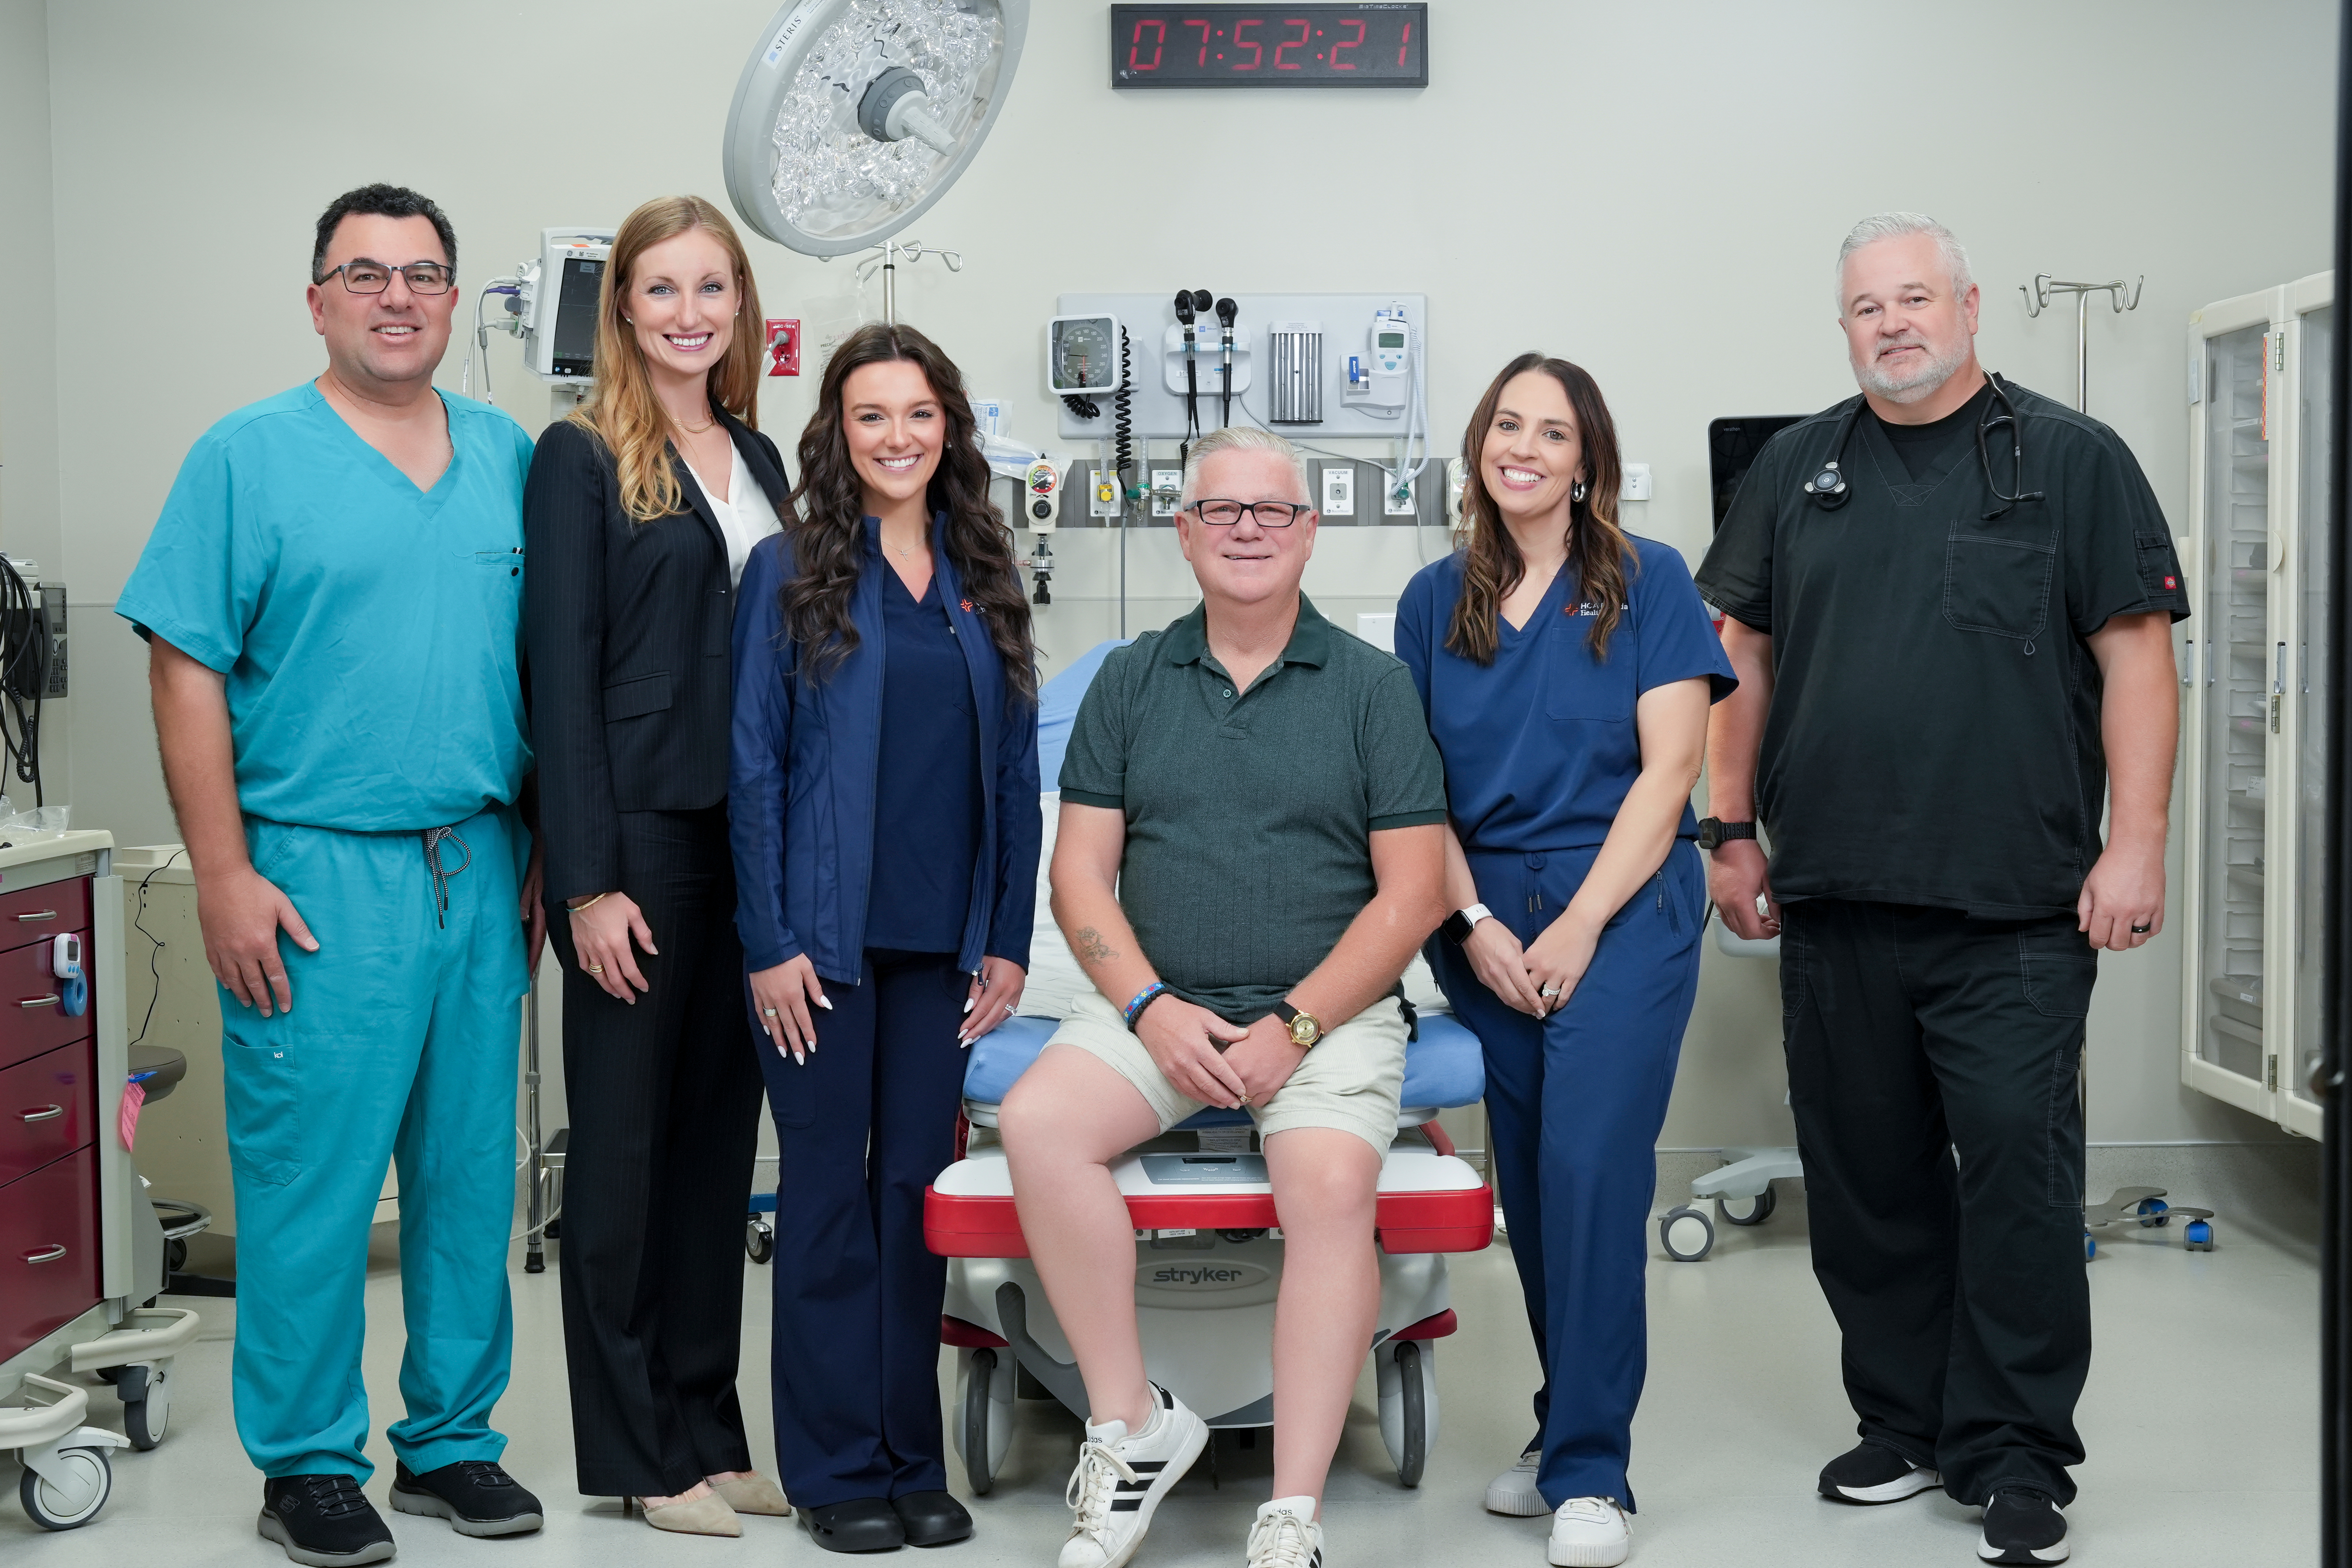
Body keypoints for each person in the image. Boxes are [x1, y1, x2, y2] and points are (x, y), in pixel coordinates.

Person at [1694, 212, 2187, 1568]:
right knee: (1865, 1184)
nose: (1892, 323)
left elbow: (2138, 662)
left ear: (1969, 307)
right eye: (1866, 307)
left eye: (1915, 298)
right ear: (1842, 326)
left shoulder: (2071, 462)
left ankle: (2016, 1452)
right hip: (1836, 897)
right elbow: (1734, 656)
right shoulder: (1798, 470)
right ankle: (1905, 1419)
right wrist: (1726, 830)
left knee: (2018, 1190)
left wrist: (2132, 844)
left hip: (2015, 910)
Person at [118, 184, 546, 1567]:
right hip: (313, 871)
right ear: (318, 299)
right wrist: (223, 871)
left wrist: (548, 855)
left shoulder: (509, 457)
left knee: (471, 1176)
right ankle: (306, 1459)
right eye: (365, 272)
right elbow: (182, 666)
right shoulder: (246, 458)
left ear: (452, 296)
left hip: (481, 864)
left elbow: (549, 671)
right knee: (311, 1182)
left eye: (425, 272)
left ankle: (450, 1443)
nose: (398, 295)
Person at [998, 425, 1451, 1568]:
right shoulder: (1128, 681)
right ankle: (1132, 1426)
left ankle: (1289, 1509)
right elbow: (1078, 875)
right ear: (1183, 529)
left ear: (1310, 531)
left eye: (1273, 512)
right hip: (1161, 1006)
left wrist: (1295, 1024)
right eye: (1222, 511)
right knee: (1043, 1128)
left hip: (1327, 1015)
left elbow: (1411, 896)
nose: (1247, 529)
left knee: (1329, 1182)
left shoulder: (1372, 688)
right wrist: (1150, 1006)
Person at [1395, 355, 1735, 1568]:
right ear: (1479, 445)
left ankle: (1593, 1471)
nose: (1522, 447)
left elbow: (1670, 772)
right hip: (1484, 913)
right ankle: (1560, 1434)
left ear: (1586, 457)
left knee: (1591, 1172)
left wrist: (1579, 921)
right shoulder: (1434, 597)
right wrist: (1477, 923)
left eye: (1550, 431)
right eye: (1504, 425)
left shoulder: (1646, 582)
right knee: (1533, 1192)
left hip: (1621, 905)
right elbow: (1413, 788)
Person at [731, 322, 1041, 1554]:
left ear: (949, 427)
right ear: (837, 432)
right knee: (823, 1199)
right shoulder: (790, 566)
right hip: (819, 945)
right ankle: (833, 1464)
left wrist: (1007, 937)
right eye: (872, 416)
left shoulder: (982, 570)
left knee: (915, 1193)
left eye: (919, 414)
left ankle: (911, 1453)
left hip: (942, 945)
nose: (898, 436)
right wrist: (767, 939)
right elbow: (751, 765)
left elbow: (1015, 772)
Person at [525, 196, 789, 1537]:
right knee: (622, 1163)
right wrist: (586, 880)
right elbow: (558, 679)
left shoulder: (759, 456)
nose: (688, 313)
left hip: (744, 853)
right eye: (660, 290)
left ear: (740, 307)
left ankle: (705, 1420)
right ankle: (635, 1448)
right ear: (622, 310)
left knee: (707, 1160)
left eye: (712, 289)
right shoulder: (581, 456)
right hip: (637, 850)